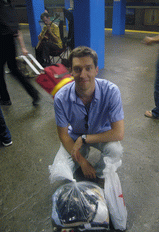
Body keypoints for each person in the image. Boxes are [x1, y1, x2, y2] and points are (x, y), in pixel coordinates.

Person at [52, 46, 124, 180]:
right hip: (75, 134)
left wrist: (84, 139)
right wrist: (82, 161)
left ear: (96, 70)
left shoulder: (111, 91)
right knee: (60, 170)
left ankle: (97, 174)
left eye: (88, 68)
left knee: (115, 151)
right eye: (77, 69)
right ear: (70, 71)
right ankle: (83, 163)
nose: (83, 75)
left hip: (101, 133)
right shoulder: (61, 98)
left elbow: (118, 133)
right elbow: (63, 136)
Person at [0, 0, 40, 106]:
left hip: (1, 39)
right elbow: (17, 29)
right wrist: (23, 47)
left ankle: (5, 98)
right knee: (14, 69)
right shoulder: (8, 5)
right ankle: (34, 93)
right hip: (9, 39)